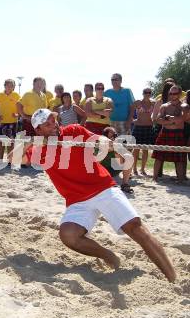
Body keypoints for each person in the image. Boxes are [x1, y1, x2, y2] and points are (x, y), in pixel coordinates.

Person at [23, 108, 176, 282]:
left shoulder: (73, 130)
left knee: (135, 228)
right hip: (77, 201)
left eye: (53, 120)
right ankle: (109, 255)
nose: (54, 125)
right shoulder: (39, 149)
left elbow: (97, 138)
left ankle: (172, 278)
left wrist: (106, 142)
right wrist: (30, 142)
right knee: (68, 235)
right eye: (47, 124)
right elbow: (14, 159)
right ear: (38, 130)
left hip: (103, 188)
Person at [152, 85, 187, 182]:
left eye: (174, 93)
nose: (172, 95)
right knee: (158, 156)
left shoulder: (184, 106)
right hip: (165, 132)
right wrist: (171, 121)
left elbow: (183, 119)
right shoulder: (164, 106)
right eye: (170, 93)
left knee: (179, 159)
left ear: (179, 94)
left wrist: (172, 119)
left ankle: (180, 179)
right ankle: (154, 178)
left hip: (178, 133)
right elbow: (157, 120)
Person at [100, 127, 133, 193]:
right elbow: (95, 162)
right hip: (102, 171)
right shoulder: (98, 143)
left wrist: (116, 152)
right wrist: (105, 150)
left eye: (115, 135)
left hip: (114, 170)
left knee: (129, 157)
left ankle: (125, 184)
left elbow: (121, 163)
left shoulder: (118, 144)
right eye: (111, 135)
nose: (113, 137)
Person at [131, 88, 156, 175]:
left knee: (145, 150)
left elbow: (156, 114)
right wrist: (133, 120)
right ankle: (134, 169)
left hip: (148, 128)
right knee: (136, 149)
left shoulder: (153, 103)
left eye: (149, 92)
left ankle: (142, 169)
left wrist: (154, 121)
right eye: (146, 92)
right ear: (143, 93)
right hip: (138, 127)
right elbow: (130, 112)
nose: (147, 94)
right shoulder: (138, 102)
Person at [0, 79, 20, 164]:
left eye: (12, 86)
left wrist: (17, 114)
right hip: (2, 122)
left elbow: (20, 108)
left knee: (11, 142)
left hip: (13, 122)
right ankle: (0, 160)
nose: (10, 87)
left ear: (14, 87)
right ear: (4, 85)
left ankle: (10, 161)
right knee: (0, 142)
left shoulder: (17, 95)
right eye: (8, 85)